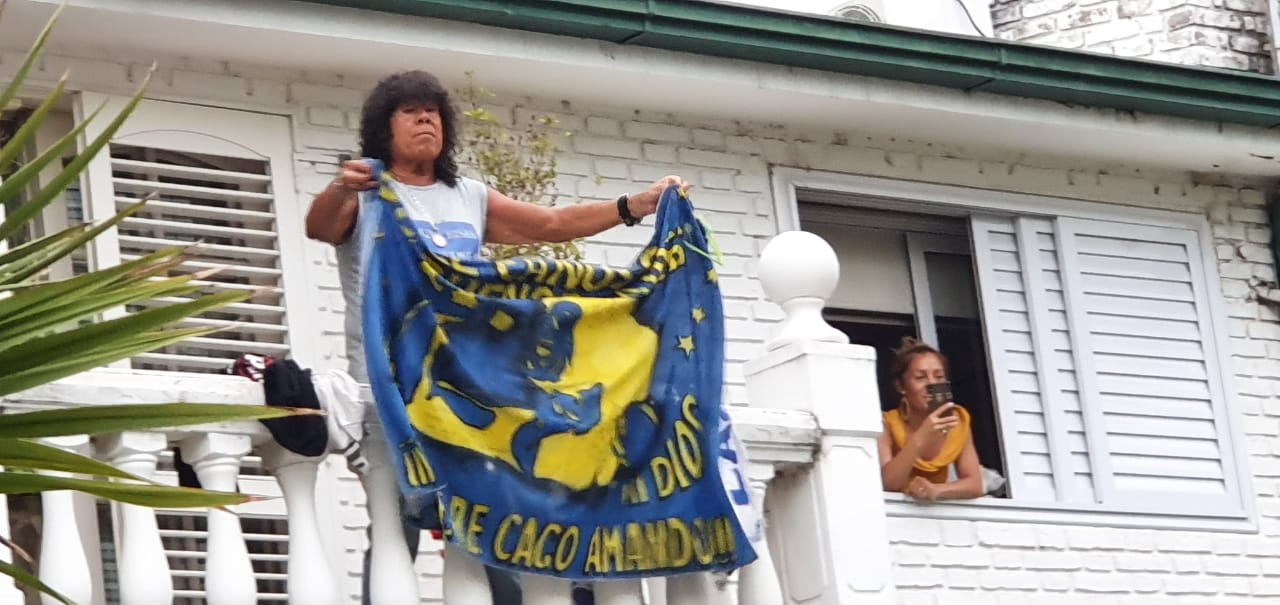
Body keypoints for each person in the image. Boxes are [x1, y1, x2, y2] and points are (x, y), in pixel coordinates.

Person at [304, 69, 685, 604]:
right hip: (390, 388)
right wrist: (343, 185)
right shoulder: (368, 192)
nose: (426, 119)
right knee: (395, 526)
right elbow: (319, 228)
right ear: (382, 127)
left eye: (433, 111)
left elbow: (551, 225)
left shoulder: (468, 196)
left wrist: (633, 207)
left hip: (470, 390)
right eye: (410, 111)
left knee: (484, 520)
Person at [877, 337, 984, 501]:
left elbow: (975, 484)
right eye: (920, 377)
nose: (931, 384)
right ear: (901, 386)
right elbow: (888, 483)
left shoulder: (957, 421)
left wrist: (936, 490)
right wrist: (920, 438)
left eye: (939, 377)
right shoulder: (888, 423)